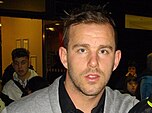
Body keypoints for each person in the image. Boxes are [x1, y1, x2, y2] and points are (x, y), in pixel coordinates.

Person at [2, 4, 139, 113]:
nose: (93, 62)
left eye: (103, 51)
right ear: (64, 57)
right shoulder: (19, 111)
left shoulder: (133, 109)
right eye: (82, 50)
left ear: (116, 60)